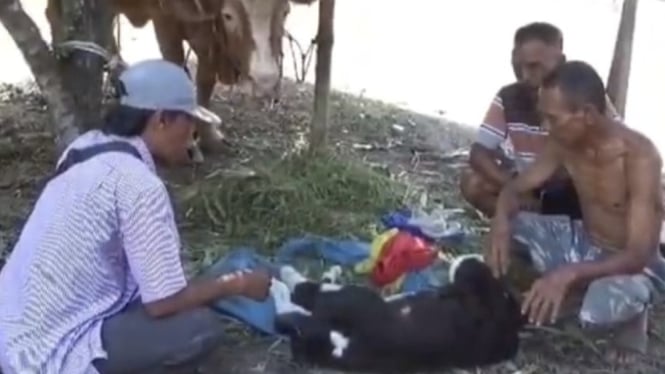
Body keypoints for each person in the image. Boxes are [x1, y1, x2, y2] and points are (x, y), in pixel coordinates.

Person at [0, 59, 272, 374]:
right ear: (161, 120)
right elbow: (163, 303)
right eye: (188, 122)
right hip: (43, 354)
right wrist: (236, 285)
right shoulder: (138, 185)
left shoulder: (84, 147)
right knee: (198, 329)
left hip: (9, 327)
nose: (193, 133)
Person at [486, 60, 665, 362]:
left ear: (588, 115)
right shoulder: (564, 141)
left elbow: (638, 254)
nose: (545, 127)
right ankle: (566, 289)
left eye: (552, 118)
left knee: (594, 312)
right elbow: (515, 189)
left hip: (636, 266)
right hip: (583, 243)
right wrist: (501, 222)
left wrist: (568, 273)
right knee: (510, 227)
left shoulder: (640, 157)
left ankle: (634, 315)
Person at [460, 22, 620, 217]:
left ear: (560, 61)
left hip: (571, 192)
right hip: (528, 183)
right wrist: (516, 189)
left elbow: (615, 157)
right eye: (518, 67)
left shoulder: (584, 96)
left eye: (535, 66)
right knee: (473, 183)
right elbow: (479, 153)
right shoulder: (509, 96)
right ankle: (523, 230)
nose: (526, 76)